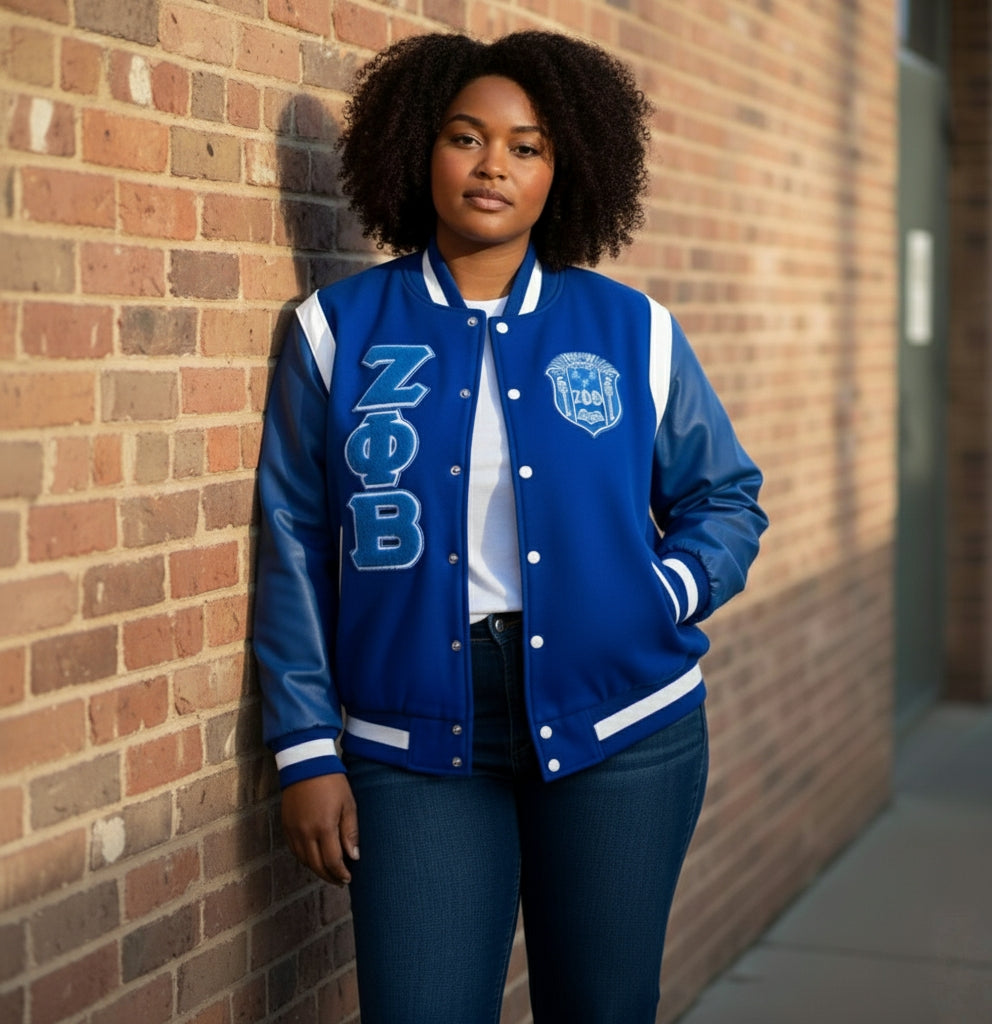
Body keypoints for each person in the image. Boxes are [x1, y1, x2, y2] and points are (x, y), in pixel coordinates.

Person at [253, 30, 767, 1024]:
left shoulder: (630, 329)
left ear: (563, 169)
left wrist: (660, 592)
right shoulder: (336, 330)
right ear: (418, 149)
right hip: (411, 739)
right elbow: (296, 544)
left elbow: (725, 499)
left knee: (601, 1007)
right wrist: (305, 747)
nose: (494, 165)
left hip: (622, 726)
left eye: (526, 147)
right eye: (466, 138)